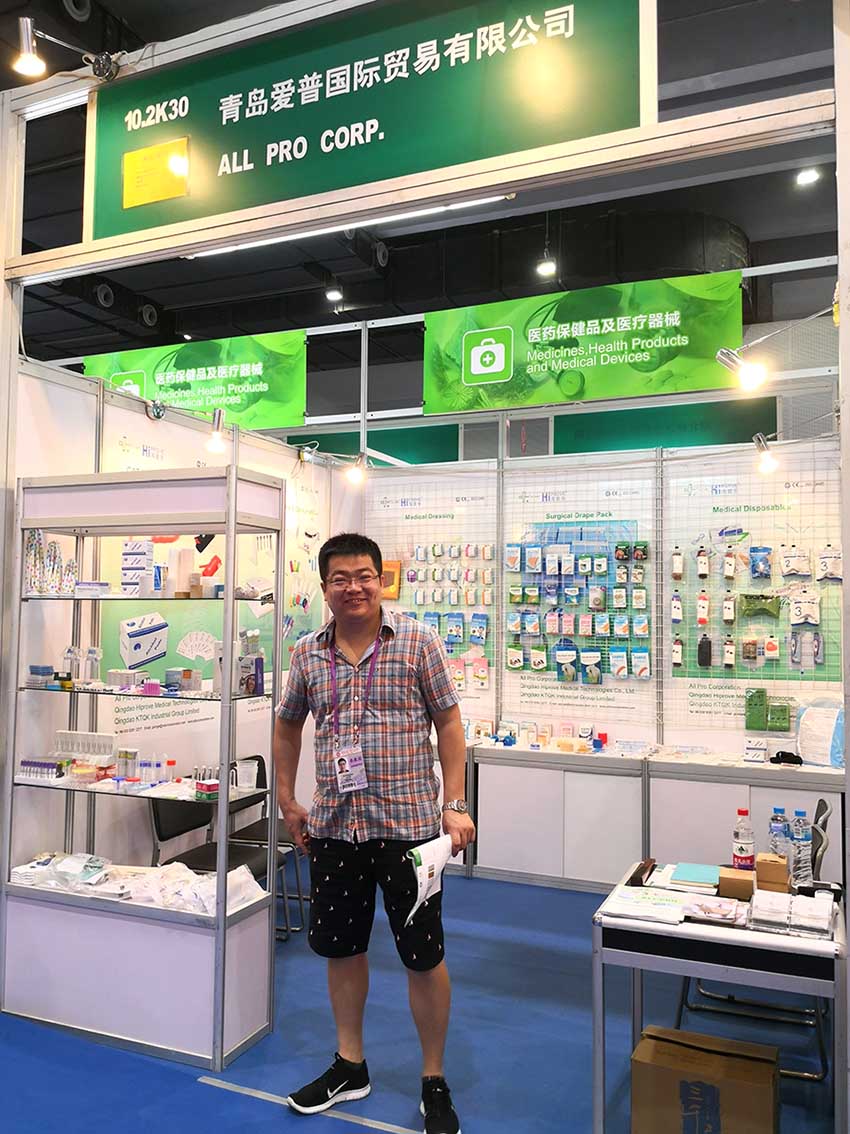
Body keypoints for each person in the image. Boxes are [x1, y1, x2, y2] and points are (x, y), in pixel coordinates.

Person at [274, 532, 475, 1134]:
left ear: (380, 581)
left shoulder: (417, 641)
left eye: (364, 576)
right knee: (342, 949)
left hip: (410, 829)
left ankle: (433, 1078)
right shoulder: (307, 654)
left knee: (423, 955)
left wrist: (455, 804)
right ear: (325, 587)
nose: (354, 587)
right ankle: (350, 1064)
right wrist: (287, 799)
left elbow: (449, 723)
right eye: (340, 578)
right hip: (336, 827)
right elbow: (287, 726)